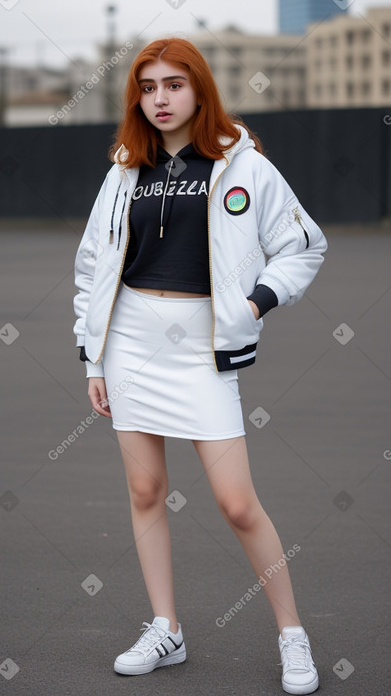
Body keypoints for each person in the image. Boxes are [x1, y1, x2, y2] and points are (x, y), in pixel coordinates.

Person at [73, 37, 327, 694]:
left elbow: (303, 246)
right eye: (148, 86)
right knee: (145, 492)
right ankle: (167, 629)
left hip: (202, 349)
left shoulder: (243, 166)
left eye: (173, 85)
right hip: (130, 341)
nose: (160, 98)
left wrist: (254, 304)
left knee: (237, 503)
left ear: (199, 90)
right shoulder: (123, 171)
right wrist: (93, 357)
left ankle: (291, 634)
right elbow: (91, 268)